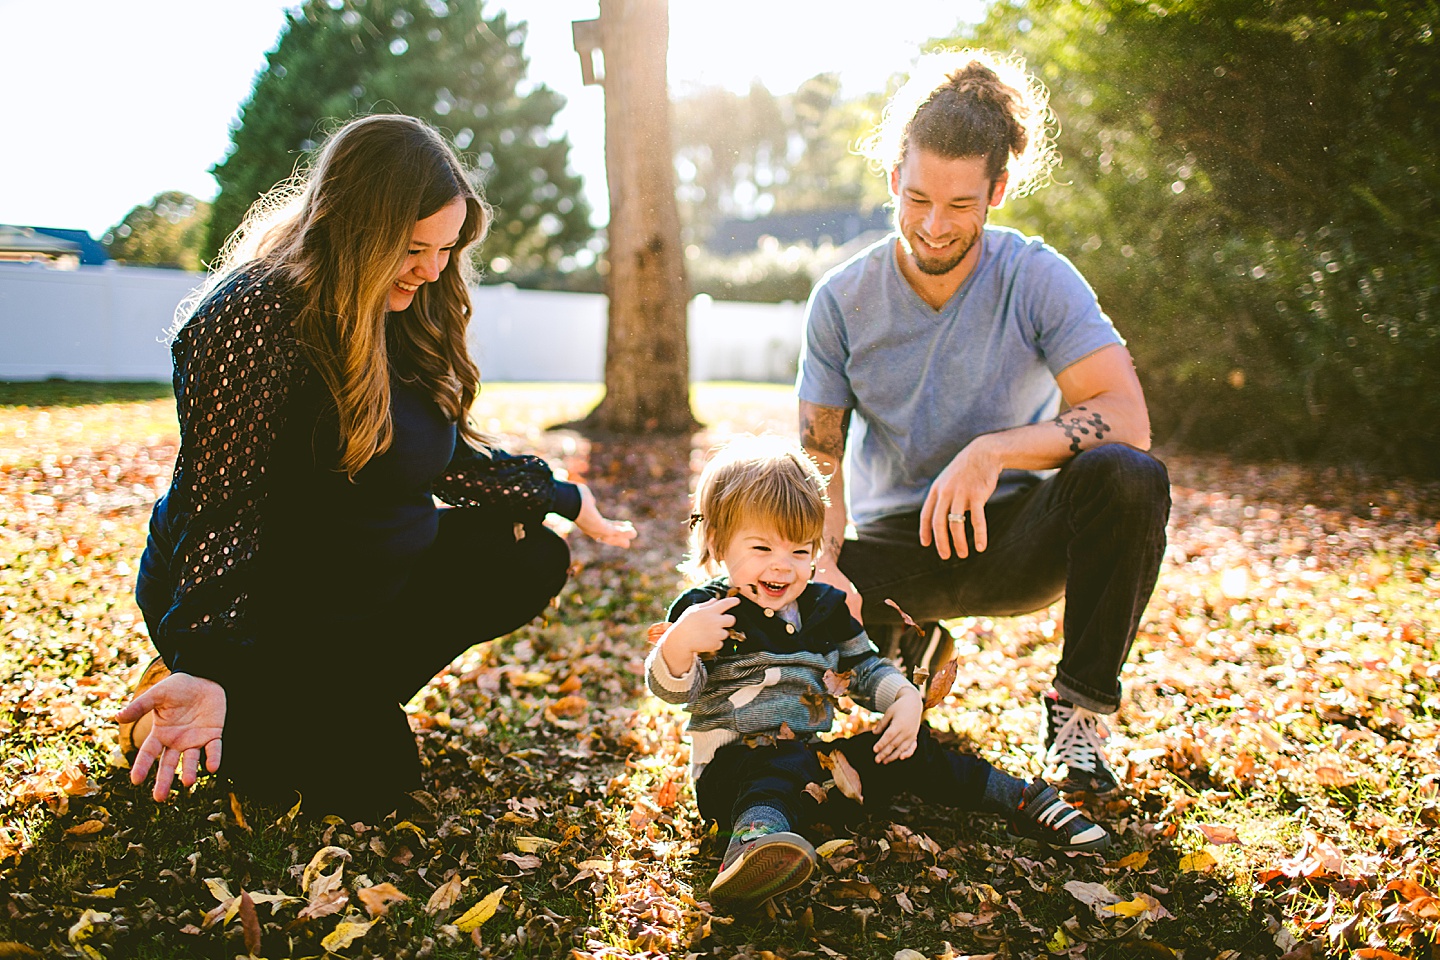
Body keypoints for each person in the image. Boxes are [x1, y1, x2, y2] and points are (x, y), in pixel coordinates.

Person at [116, 115, 635, 819]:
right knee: (372, 786)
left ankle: (340, 698)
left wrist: (560, 495)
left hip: (364, 590)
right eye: (414, 248)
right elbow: (222, 499)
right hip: (264, 609)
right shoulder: (250, 316)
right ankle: (220, 693)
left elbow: (438, 457)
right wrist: (209, 657)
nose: (432, 269)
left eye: (447, 248)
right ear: (351, 230)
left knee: (527, 554)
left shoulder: (409, 304)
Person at [797, 49, 1171, 798]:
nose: (933, 226)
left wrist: (996, 450)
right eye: (916, 198)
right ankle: (904, 639)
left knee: (1129, 477)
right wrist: (824, 566)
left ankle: (1080, 717)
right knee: (761, 573)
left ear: (998, 191)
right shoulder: (842, 300)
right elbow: (819, 459)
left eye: (960, 205)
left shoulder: (1036, 276)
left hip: (1017, 537)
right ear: (893, 179)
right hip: (891, 549)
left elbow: (1127, 416)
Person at [645, 438, 1109, 913]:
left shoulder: (823, 608)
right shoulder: (706, 612)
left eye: (802, 550)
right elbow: (672, 688)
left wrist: (903, 698)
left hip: (816, 770)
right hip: (734, 777)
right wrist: (680, 643)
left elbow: (864, 667)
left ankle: (1022, 799)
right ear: (720, 543)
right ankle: (751, 848)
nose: (783, 564)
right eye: (761, 547)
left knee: (904, 751)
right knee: (778, 767)